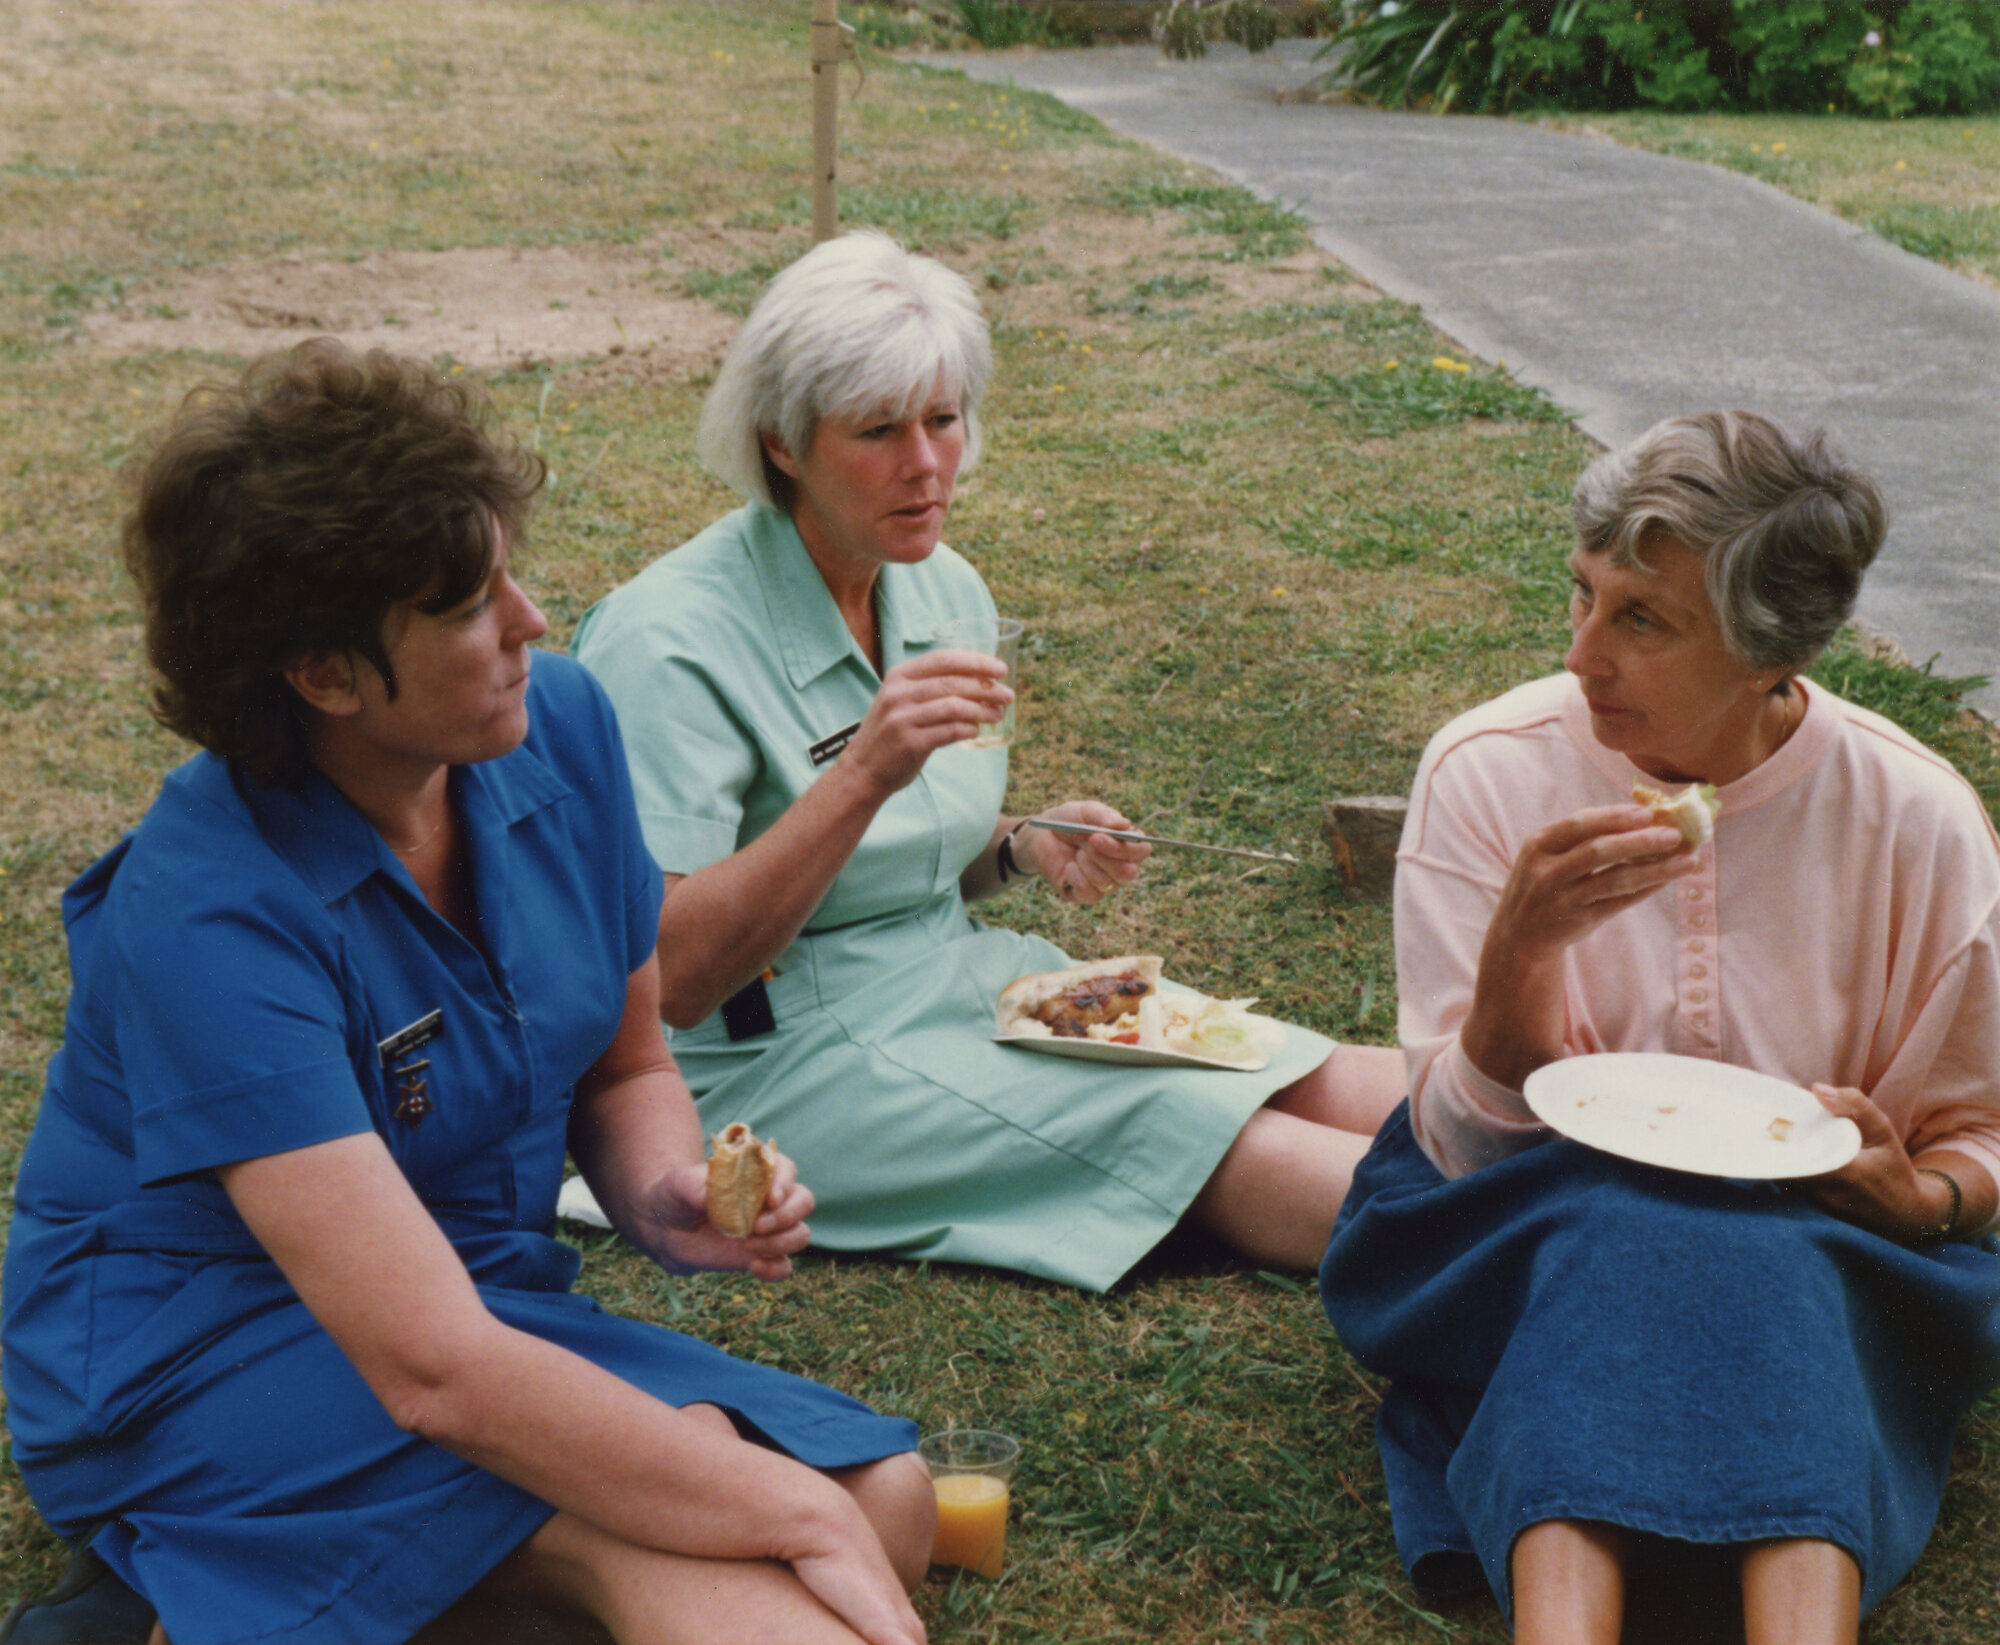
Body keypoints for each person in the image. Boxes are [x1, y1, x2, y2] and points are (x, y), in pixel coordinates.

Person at [0, 342, 934, 1645]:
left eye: (511, 572)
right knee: (746, 1548)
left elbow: (626, 1067)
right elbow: (431, 1368)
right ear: (324, 675)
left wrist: (664, 1193)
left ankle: (278, 1599)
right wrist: (779, 1511)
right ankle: (217, 1572)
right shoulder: (206, 910)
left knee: (886, 1497)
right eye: (468, 606)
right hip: (211, 1337)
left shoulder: (560, 724)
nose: (532, 622)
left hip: (466, 1294)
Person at [572, 232, 1404, 1292]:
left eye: (943, 419)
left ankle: (1613, 1147)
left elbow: (892, 872)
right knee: (1193, 1121)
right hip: (772, 1057)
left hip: (960, 975)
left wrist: (1014, 847)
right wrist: (862, 772)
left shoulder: (938, 586)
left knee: (1281, 1064)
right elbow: (672, 980)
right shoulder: (667, 642)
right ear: (782, 443)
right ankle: (1542, 1247)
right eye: (877, 430)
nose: (926, 465)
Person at [1319, 410, 2000, 1645]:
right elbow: (1468, 1149)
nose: (1583, 656)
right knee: (1621, 1219)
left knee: (1751, 1246)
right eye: (1580, 596)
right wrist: (1519, 951)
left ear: (1767, 650)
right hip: (1518, 1221)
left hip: (1834, 1250)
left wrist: (1926, 1200)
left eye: (1641, 621)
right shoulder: (1487, 771)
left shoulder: (1915, 820)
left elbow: (1975, 1133)